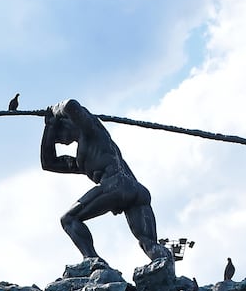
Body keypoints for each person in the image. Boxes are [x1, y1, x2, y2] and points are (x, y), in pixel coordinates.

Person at [40, 99, 173, 264]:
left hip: (116, 185)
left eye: (58, 136)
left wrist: (54, 109)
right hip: (136, 191)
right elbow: (49, 163)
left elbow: (70, 105)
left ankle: (92, 261)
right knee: (150, 244)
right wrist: (49, 127)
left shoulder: (90, 130)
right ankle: (169, 275)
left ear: (67, 124)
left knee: (68, 219)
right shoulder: (88, 157)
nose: (58, 140)